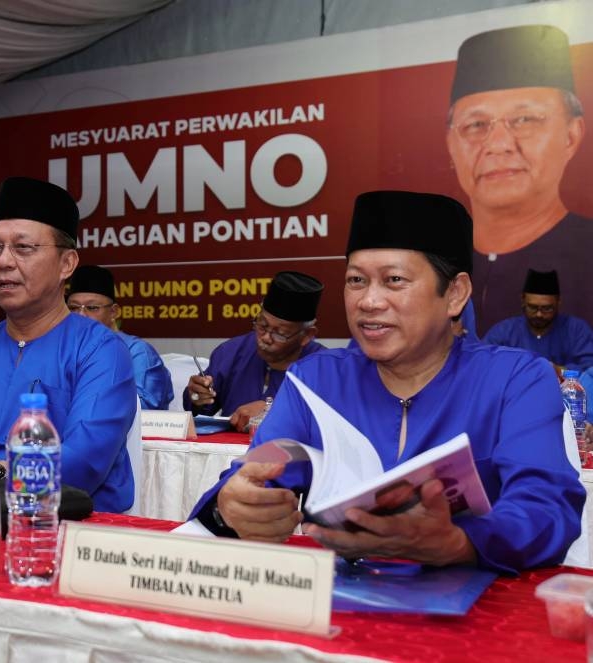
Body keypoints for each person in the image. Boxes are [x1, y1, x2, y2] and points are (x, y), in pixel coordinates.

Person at [190, 190, 583, 573]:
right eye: (356, 280)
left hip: (475, 607)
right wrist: (232, 506)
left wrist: (462, 542)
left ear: (455, 294)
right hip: (334, 603)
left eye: (394, 280)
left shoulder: (515, 380)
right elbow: (253, 475)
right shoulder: (315, 381)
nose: (368, 301)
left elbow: (547, 509)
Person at [0, 176, 137, 513]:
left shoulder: (99, 350)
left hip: (63, 526)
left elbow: (84, 463)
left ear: (66, 264)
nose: (3, 261)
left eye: (23, 248)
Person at [445, 24, 593, 333]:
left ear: (571, 135)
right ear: (450, 144)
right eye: (476, 125)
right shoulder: (438, 264)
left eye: (525, 120)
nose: (498, 144)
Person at [184, 271, 324, 432]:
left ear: (307, 335)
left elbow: (330, 425)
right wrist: (196, 397)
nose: (265, 338)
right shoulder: (232, 352)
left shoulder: (324, 368)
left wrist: (274, 411)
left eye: (280, 334)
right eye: (262, 325)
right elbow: (200, 413)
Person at [67, 264, 173, 410]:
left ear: (114, 312)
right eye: (73, 308)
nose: (81, 315)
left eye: (92, 308)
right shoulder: (63, 350)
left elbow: (142, 407)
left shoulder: (136, 351)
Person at [483, 269, 593, 374]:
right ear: (523, 300)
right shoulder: (504, 331)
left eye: (547, 308)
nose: (539, 314)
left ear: (558, 302)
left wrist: (560, 371)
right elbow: (484, 362)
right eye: (532, 307)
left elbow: (589, 369)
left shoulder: (576, 330)